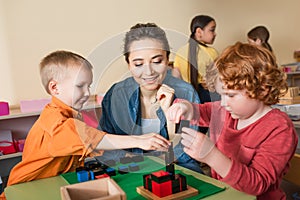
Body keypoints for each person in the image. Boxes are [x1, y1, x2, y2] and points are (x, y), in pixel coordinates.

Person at [0, 50, 170, 198]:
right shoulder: (55, 121)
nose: (87, 92)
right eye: (80, 86)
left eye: (89, 85)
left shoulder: (67, 113)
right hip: (26, 188)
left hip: (53, 182)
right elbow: (93, 139)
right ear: (54, 88)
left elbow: (84, 145)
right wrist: (139, 140)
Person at [167, 42, 298, 199]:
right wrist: (185, 107)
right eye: (221, 95)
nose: (223, 103)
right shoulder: (225, 111)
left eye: (230, 95)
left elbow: (258, 184)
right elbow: (200, 111)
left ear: (262, 89)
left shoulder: (279, 128)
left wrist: (211, 156)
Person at [98, 23, 203, 173]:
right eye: (138, 64)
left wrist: (169, 117)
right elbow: (107, 146)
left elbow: (187, 152)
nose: (148, 72)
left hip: (179, 167)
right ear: (129, 64)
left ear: (167, 59)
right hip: (130, 167)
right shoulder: (116, 95)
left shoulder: (185, 92)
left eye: (157, 61)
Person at [173, 15, 219, 105]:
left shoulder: (180, 51)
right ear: (199, 32)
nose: (215, 34)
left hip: (186, 97)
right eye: (212, 30)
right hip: (208, 97)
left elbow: (176, 76)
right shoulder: (211, 52)